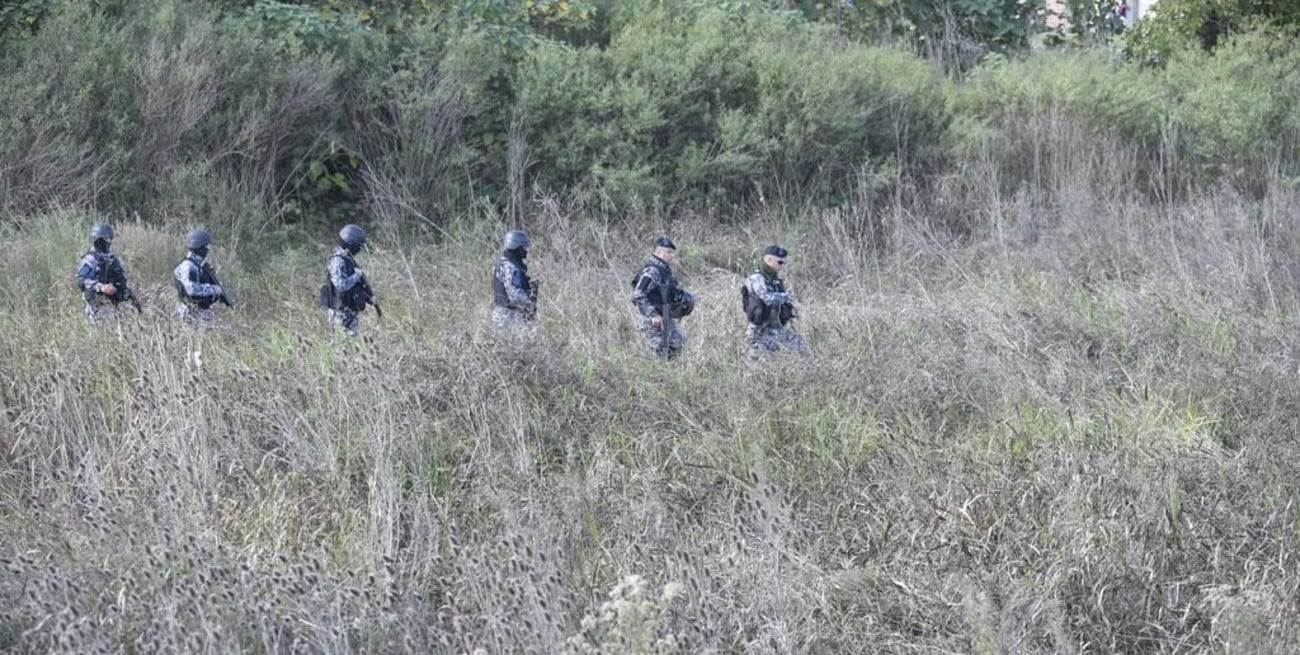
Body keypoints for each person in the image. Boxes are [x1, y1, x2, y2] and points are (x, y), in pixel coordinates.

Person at [631, 236, 695, 359]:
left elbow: (672, 294)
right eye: (668, 252)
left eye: (672, 253)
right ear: (658, 252)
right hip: (654, 321)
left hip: (667, 317)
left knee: (677, 348)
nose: (672, 256)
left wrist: (677, 313)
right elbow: (638, 295)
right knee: (658, 353)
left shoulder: (665, 271)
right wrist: (653, 315)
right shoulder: (652, 271)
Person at [743, 245, 808, 358]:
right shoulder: (757, 279)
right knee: (760, 364)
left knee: (802, 348)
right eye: (780, 262)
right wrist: (785, 297)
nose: (781, 266)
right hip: (760, 331)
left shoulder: (774, 280)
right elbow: (767, 298)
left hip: (775, 328)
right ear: (768, 260)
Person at [75, 221, 139, 322]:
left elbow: (122, 276)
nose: (109, 242)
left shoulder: (112, 258)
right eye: (106, 239)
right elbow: (81, 280)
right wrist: (101, 287)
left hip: (113, 306)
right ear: (98, 240)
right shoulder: (90, 259)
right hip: (96, 306)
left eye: (110, 239)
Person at [320, 224, 375, 336]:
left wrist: (369, 297)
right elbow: (341, 285)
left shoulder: (347, 258)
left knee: (351, 343)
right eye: (357, 246)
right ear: (350, 245)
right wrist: (356, 276)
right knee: (339, 344)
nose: (359, 249)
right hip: (339, 311)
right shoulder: (337, 261)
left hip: (349, 310)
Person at [172, 229, 230, 328]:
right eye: (206, 247)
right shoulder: (189, 267)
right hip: (192, 314)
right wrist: (215, 290)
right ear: (200, 248)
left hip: (200, 313)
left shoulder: (199, 265)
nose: (208, 250)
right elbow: (191, 290)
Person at [491, 229, 538, 334]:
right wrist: (530, 306)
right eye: (523, 247)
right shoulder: (511, 267)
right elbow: (515, 294)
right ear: (516, 247)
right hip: (510, 317)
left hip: (500, 314)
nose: (526, 251)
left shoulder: (499, 264)